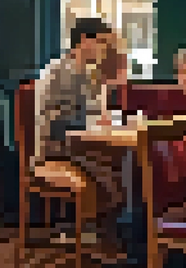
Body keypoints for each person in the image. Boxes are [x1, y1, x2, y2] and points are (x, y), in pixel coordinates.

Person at [35, 17, 123, 251]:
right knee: (112, 173)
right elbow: (46, 120)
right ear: (84, 40)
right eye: (102, 42)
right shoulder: (54, 72)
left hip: (82, 147)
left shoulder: (91, 76)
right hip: (54, 150)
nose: (104, 49)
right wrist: (87, 122)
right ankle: (95, 233)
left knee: (124, 168)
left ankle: (108, 234)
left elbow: (97, 112)